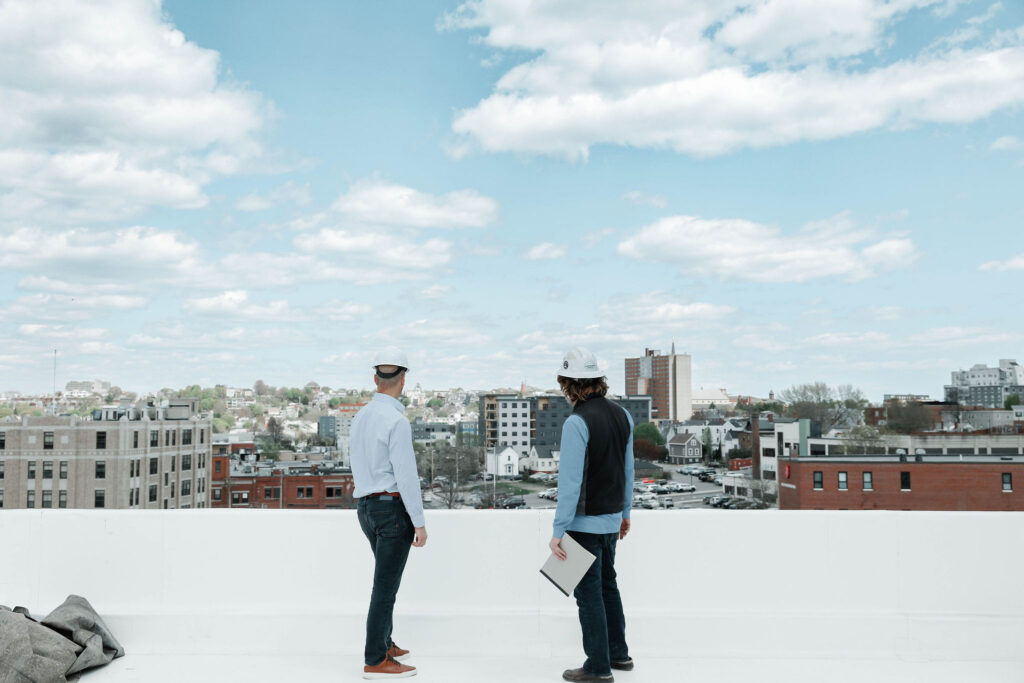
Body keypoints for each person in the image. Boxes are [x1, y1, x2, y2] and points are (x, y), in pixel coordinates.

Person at [549, 347, 635, 682]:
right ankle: (619, 655)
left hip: (584, 524)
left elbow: (569, 483)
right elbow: (627, 470)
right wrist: (625, 513)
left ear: (568, 383)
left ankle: (598, 668)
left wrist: (558, 530)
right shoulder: (623, 416)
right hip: (611, 519)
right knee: (608, 586)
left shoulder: (576, 422)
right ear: (598, 379)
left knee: (589, 595)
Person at [350, 347, 427, 680]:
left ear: (375, 378)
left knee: (385, 584)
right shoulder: (397, 420)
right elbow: (406, 476)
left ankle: (385, 642)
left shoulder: (361, 416)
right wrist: (419, 523)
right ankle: (375, 658)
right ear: (404, 379)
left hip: (366, 508)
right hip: (391, 509)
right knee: (385, 587)